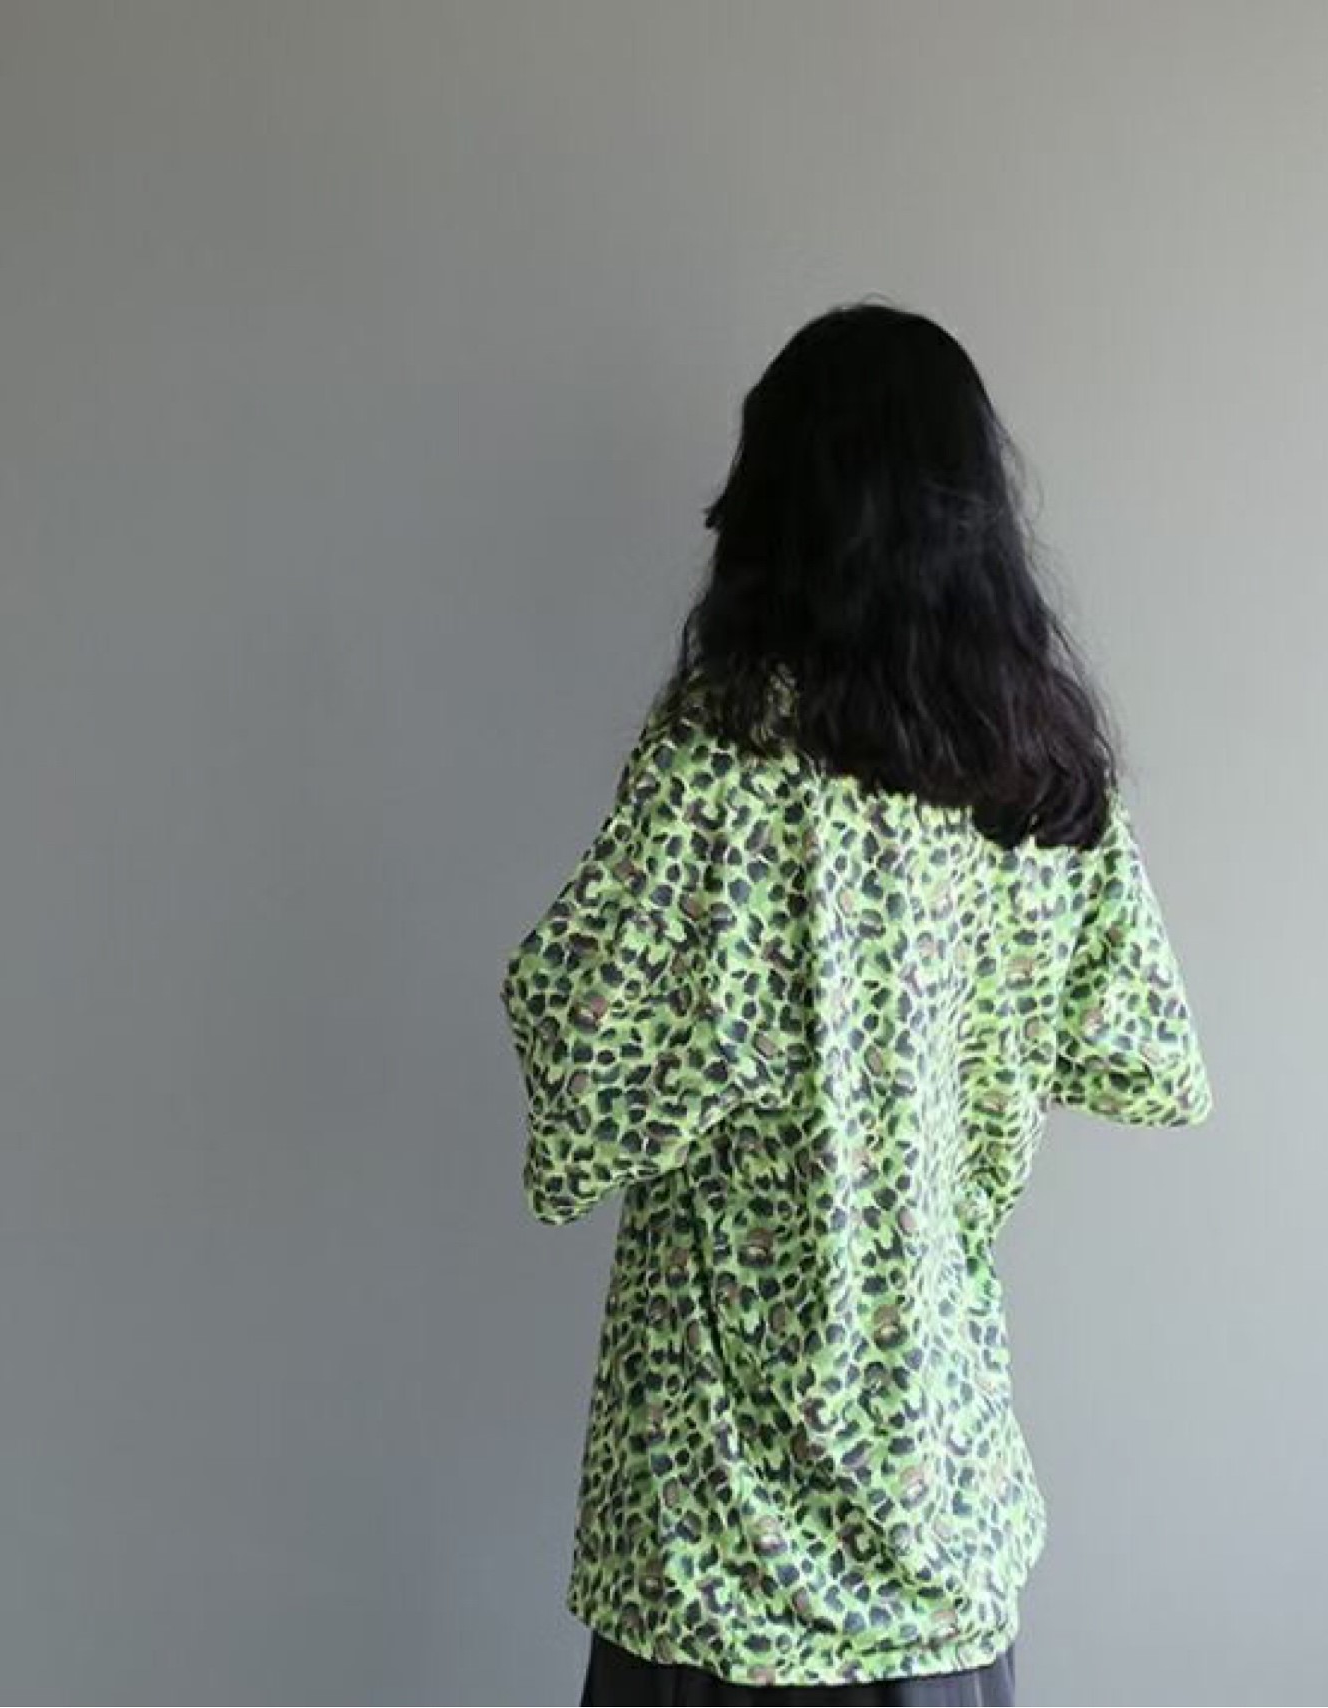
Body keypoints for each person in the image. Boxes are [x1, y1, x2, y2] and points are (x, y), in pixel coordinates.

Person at [501, 300, 1213, 1707]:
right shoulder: (1041, 784)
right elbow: (1143, 1053)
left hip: (715, 1536)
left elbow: (577, 1064)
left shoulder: (723, 771)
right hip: (936, 1501)